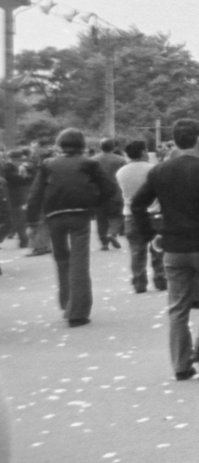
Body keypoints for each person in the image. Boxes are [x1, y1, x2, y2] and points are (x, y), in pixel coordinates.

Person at [130, 119, 199, 380]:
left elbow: (137, 205)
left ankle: (180, 364)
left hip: (174, 246)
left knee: (177, 307)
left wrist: (151, 234)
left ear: (174, 140)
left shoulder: (160, 171)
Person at [26, 128, 119, 327]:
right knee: (79, 262)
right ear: (81, 145)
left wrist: (32, 221)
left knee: (62, 259)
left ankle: (66, 301)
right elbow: (109, 189)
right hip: (80, 215)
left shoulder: (47, 164)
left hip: (54, 216)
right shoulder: (90, 163)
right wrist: (95, 201)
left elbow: (35, 194)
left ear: (60, 144)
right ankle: (78, 312)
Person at [116, 139, 165, 294]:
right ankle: (160, 279)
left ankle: (139, 282)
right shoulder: (154, 169)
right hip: (154, 213)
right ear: (144, 152)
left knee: (137, 251)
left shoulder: (121, 172)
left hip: (130, 214)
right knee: (158, 249)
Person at [93, 138, 127, 249]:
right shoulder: (121, 160)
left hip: (99, 193)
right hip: (116, 192)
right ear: (114, 147)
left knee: (100, 218)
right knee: (117, 215)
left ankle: (104, 243)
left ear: (100, 147)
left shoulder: (93, 160)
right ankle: (112, 233)